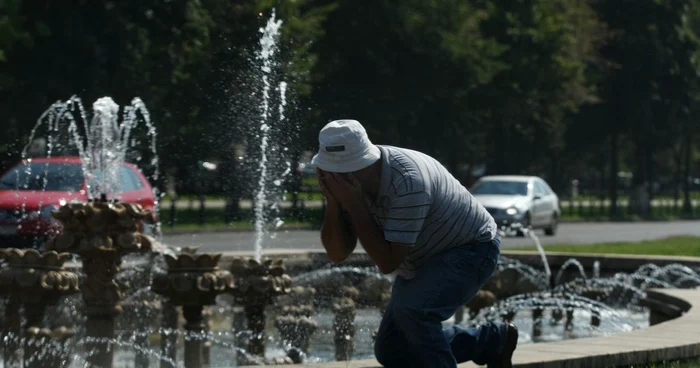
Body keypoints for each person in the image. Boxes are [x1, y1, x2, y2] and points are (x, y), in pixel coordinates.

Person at [311, 119, 518, 368]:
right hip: (423, 258)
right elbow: (337, 253)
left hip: (470, 247)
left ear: (366, 162)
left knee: (416, 313)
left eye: (344, 170)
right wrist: (334, 203)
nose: (336, 178)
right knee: (393, 349)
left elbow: (388, 262)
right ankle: (492, 340)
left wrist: (355, 207)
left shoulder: (407, 181)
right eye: (330, 171)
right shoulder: (350, 184)